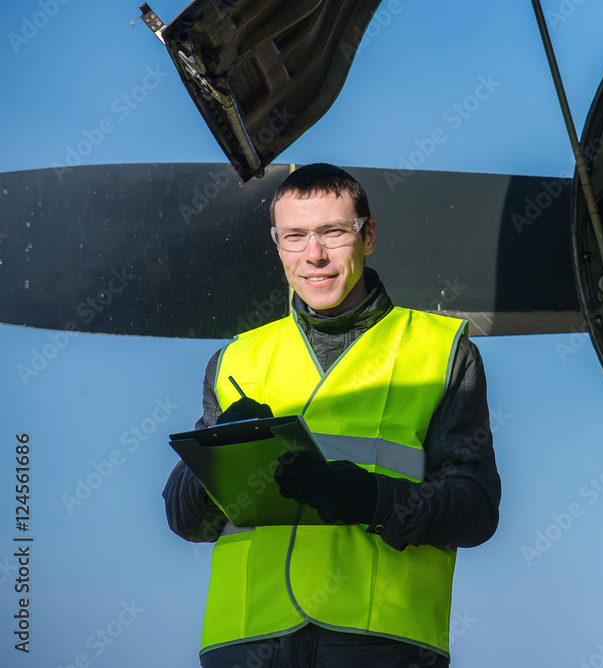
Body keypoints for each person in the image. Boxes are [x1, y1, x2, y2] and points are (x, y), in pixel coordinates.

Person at [162, 163, 501, 668]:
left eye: (333, 232)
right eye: (295, 236)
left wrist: (371, 499)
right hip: (247, 642)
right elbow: (184, 519)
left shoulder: (441, 351)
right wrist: (216, 459)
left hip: (380, 641)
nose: (313, 255)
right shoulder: (235, 360)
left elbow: (475, 511)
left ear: (368, 236)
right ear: (277, 245)